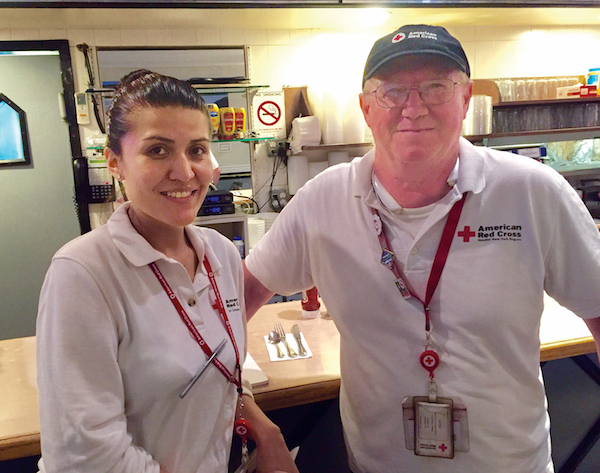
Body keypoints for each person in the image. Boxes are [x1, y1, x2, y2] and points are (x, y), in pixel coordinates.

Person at [243, 25, 600, 473]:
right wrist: (248, 410)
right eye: (391, 91)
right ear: (366, 108)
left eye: (436, 86)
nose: (414, 107)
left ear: (466, 100)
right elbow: (232, 303)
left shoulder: (532, 191)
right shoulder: (322, 200)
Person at [36, 69, 299, 473]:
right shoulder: (82, 273)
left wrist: (265, 430)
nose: (184, 171)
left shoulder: (221, 254)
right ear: (115, 163)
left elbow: (223, 371)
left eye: (196, 150)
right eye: (158, 151)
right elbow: (84, 456)